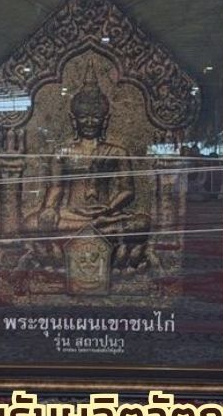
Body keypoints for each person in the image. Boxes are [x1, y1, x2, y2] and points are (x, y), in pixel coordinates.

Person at [23, 61, 151, 269]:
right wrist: (49, 209)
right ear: (73, 120)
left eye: (95, 117)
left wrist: (109, 208)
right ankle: (95, 232)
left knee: (142, 223)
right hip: (71, 214)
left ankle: (88, 233)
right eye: (84, 117)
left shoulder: (117, 152)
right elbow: (56, 187)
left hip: (106, 215)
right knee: (30, 223)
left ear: (105, 120)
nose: (90, 122)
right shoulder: (63, 152)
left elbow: (127, 190)